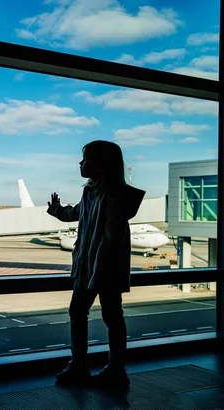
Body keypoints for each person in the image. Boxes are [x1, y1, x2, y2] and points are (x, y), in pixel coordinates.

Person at [47, 140, 145, 388]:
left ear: (101, 164)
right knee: (106, 316)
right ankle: (109, 368)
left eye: (85, 158)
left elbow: (110, 242)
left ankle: (93, 367)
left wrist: (95, 276)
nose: (80, 163)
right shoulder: (91, 191)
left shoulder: (115, 196)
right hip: (88, 268)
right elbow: (78, 213)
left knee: (100, 315)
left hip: (102, 270)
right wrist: (58, 210)